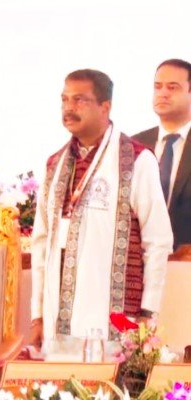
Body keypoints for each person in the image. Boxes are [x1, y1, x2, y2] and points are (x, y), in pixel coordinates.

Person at [29, 69, 173, 359]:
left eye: (79, 100)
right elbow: (41, 243)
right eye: (64, 99)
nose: (69, 108)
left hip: (117, 325)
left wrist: (148, 314)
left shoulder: (136, 160)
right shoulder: (55, 164)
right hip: (58, 327)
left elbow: (158, 241)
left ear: (105, 107)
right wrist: (37, 316)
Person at [133, 59, 191, 251]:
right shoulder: (133, 146)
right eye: (158, 87)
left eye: (172, 87)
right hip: (139, 259)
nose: (163, 93)